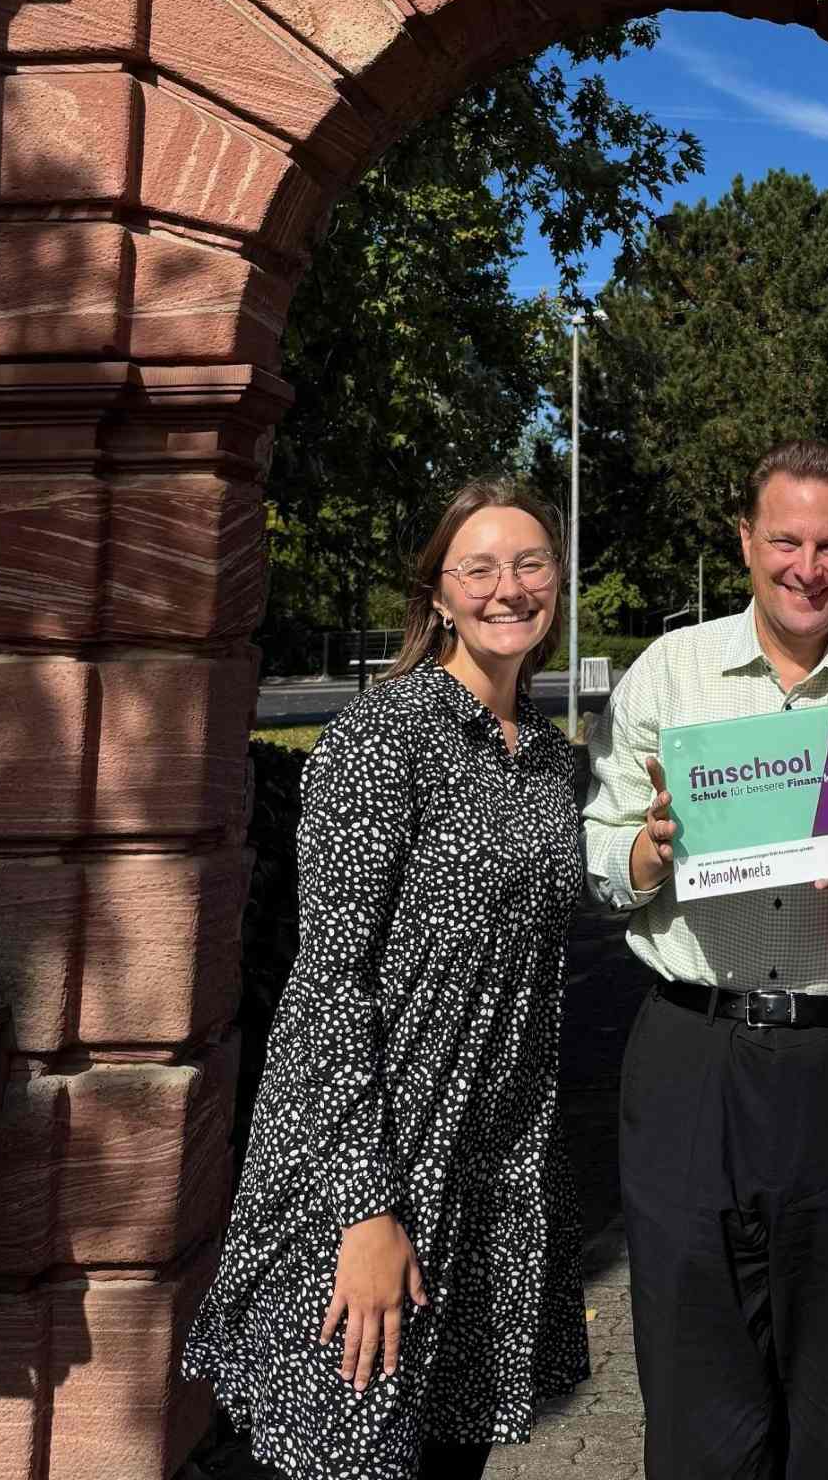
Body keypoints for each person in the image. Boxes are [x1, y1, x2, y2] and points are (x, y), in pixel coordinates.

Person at [583, 439, 828, 1480]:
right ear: (747, 541)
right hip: (689, 1056)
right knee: (693, 1379)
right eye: (787, 540)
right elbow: (602, 865)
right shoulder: (671, 672)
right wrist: (651, 848)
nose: (809, 565)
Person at [183, 478, 590, 1480]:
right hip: (373, 1166)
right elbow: (329, 986)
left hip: (492, 1178)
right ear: (440, 595)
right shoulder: (382, 739)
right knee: (337, 1451)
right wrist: (365, 1211)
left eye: (531, 564)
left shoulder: (552, 765)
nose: (509, 588)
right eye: (481, 568)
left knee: (448, 1460)